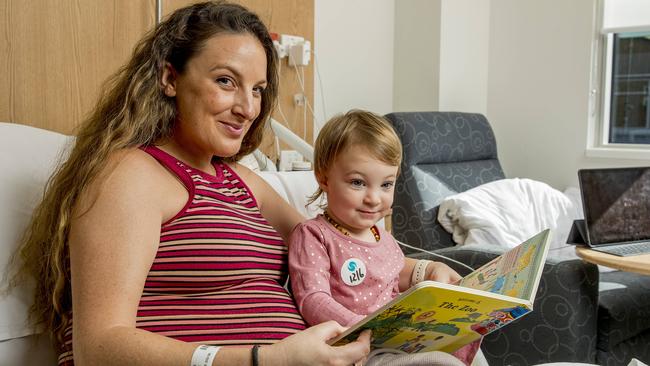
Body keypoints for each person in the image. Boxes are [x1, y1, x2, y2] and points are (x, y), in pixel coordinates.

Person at [10, 2, 371, 365]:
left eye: (258, 89)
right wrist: (266, 359)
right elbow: (98, 348)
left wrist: (421, 273)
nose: (247, 107)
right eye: (226, 81)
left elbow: (333, 250)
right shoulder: (130, 176)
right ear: (170, 79)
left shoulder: (242, 181)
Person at [288, 110, 481, 365]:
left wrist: (432, 278)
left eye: (386, 185)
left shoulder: (381, 234)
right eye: (358, 183)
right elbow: (313, 299)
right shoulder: (315, 235)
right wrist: (364, 327)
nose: (374, 198)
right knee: (439, 362)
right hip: (359, 349)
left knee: (469, 343)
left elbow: (394, 275)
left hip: (400, 339)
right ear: (323, 177)